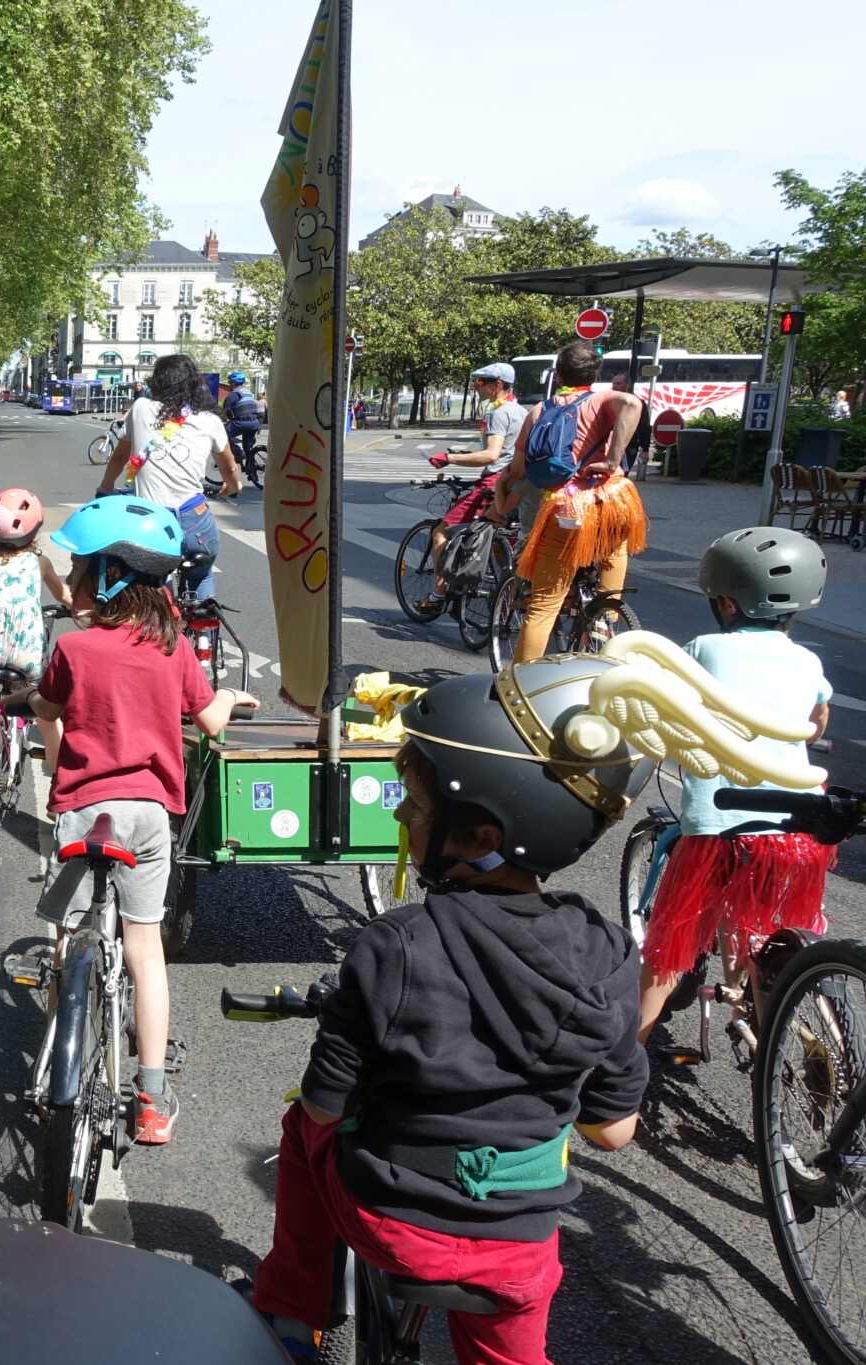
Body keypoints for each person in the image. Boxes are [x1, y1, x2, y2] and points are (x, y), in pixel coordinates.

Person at [251, 657, 652, 1365]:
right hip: (520, 1248)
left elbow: (322, 1105)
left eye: (415, 803)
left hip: (395, 1223)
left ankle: (290, 1312)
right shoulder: (609, 951)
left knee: (301, 1129)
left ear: (484, 838)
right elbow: (613, 1131)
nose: (400, 813)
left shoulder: (397, 945)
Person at [26, 497, 254, 1145]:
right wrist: (228, 695)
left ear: (109, 577)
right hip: (149, 818)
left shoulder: (72, 649)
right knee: (144, 947)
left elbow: (47, 708)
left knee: (68, 942)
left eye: (79, 570)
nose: (71, 582)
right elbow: (210, 722)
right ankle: (151, 1098)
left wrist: (41, 718)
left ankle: (60, 1056)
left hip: (84, 813)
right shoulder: (173, 649)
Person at [636, 529, 835, 1042]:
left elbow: (663, 702)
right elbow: (815, 726)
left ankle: (622, 1062)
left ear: (726, 602)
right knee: (762, 933)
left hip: (721, 824)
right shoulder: (808, 661)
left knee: (670, 946)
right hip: (796, 828)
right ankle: (779, 1035)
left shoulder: (704, 648)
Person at [488, 340, 646, 663]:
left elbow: (519, 469)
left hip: (567, 507)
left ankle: (520, 682)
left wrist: (503, 481)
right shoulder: (603, 400)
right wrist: (613, 460)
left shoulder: (540, 411)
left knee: (543, 607)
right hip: (612, 502)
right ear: (595, 375)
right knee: (613, 553)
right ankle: (604, 619)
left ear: (559, 375)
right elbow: (632, 404)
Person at [97, 353, 241, 598]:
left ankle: (164, 611)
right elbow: (229, 467)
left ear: (156, 382)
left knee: (153, 578)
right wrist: (233, 486)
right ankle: (204, 621)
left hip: (152, 519)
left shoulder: (141, 408)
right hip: (194, 517)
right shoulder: (210, 420)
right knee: (202, 574)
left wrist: (106, 486)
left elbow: (120, 457)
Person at [0, 488, 69, 769]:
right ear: (34, 533)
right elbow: (64, 596)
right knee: (46, 711)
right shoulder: (40, 562)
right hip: (27, 652)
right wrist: (79, 608)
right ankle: (59, 771)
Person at [427, 362, 525, 577]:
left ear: (497, 385)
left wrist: (449, 458)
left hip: (494, 483)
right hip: (515, 483)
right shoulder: (521, 411)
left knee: (441, 533)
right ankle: (508, 589)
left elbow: (491, 455)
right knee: (498, 542)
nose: (476, 387)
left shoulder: (499, 413)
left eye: (480, 382)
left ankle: (438, 592)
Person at [221, 370, 262, 471]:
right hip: (254, 423)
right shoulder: (249, 393)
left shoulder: (233, 395)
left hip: (242, 423)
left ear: (233, 383)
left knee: (221, 435)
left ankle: (237, 452)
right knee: (248, 447)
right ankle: (251, 469)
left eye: (230, 382)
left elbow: (223, 414)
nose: (229, 384)